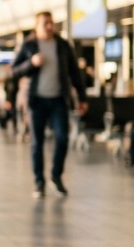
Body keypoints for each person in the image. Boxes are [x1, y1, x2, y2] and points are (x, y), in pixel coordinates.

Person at [10, 12, 89, 198]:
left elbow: (75, 73)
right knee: (37, 142)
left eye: (51, 23)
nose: (49, 26)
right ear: (36, 26)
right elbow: (14, 71)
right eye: (45, 23)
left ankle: (56, 176)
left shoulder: (62, 45)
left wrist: (82, 98)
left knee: (62, 138)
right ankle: (39, 181)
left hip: (58, 100)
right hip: (36, 100)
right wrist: (31, 63)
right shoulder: (29, 46)